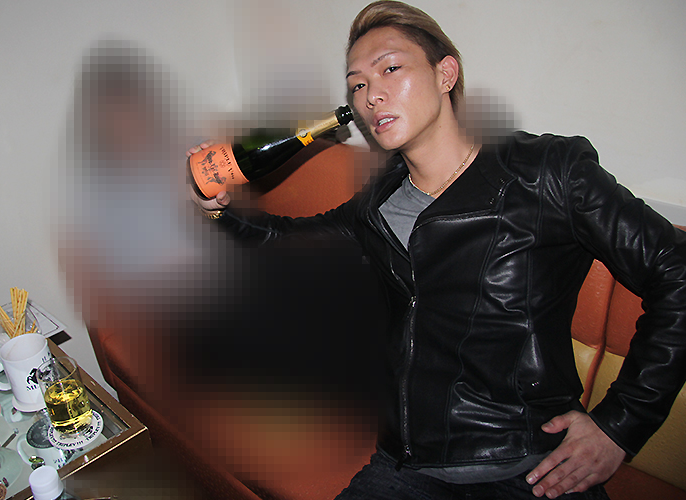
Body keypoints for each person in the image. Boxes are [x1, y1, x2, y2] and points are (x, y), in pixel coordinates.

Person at [186, 1, 686, 499]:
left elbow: (677, 272)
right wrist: (216, 211)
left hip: (531, 468)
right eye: (357, 85)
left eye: (390, 69)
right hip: (407, 465)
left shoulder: (546, 174)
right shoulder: (379, 202)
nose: (371, 95)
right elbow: (289, 244)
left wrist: (620, 425)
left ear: (445, 74)